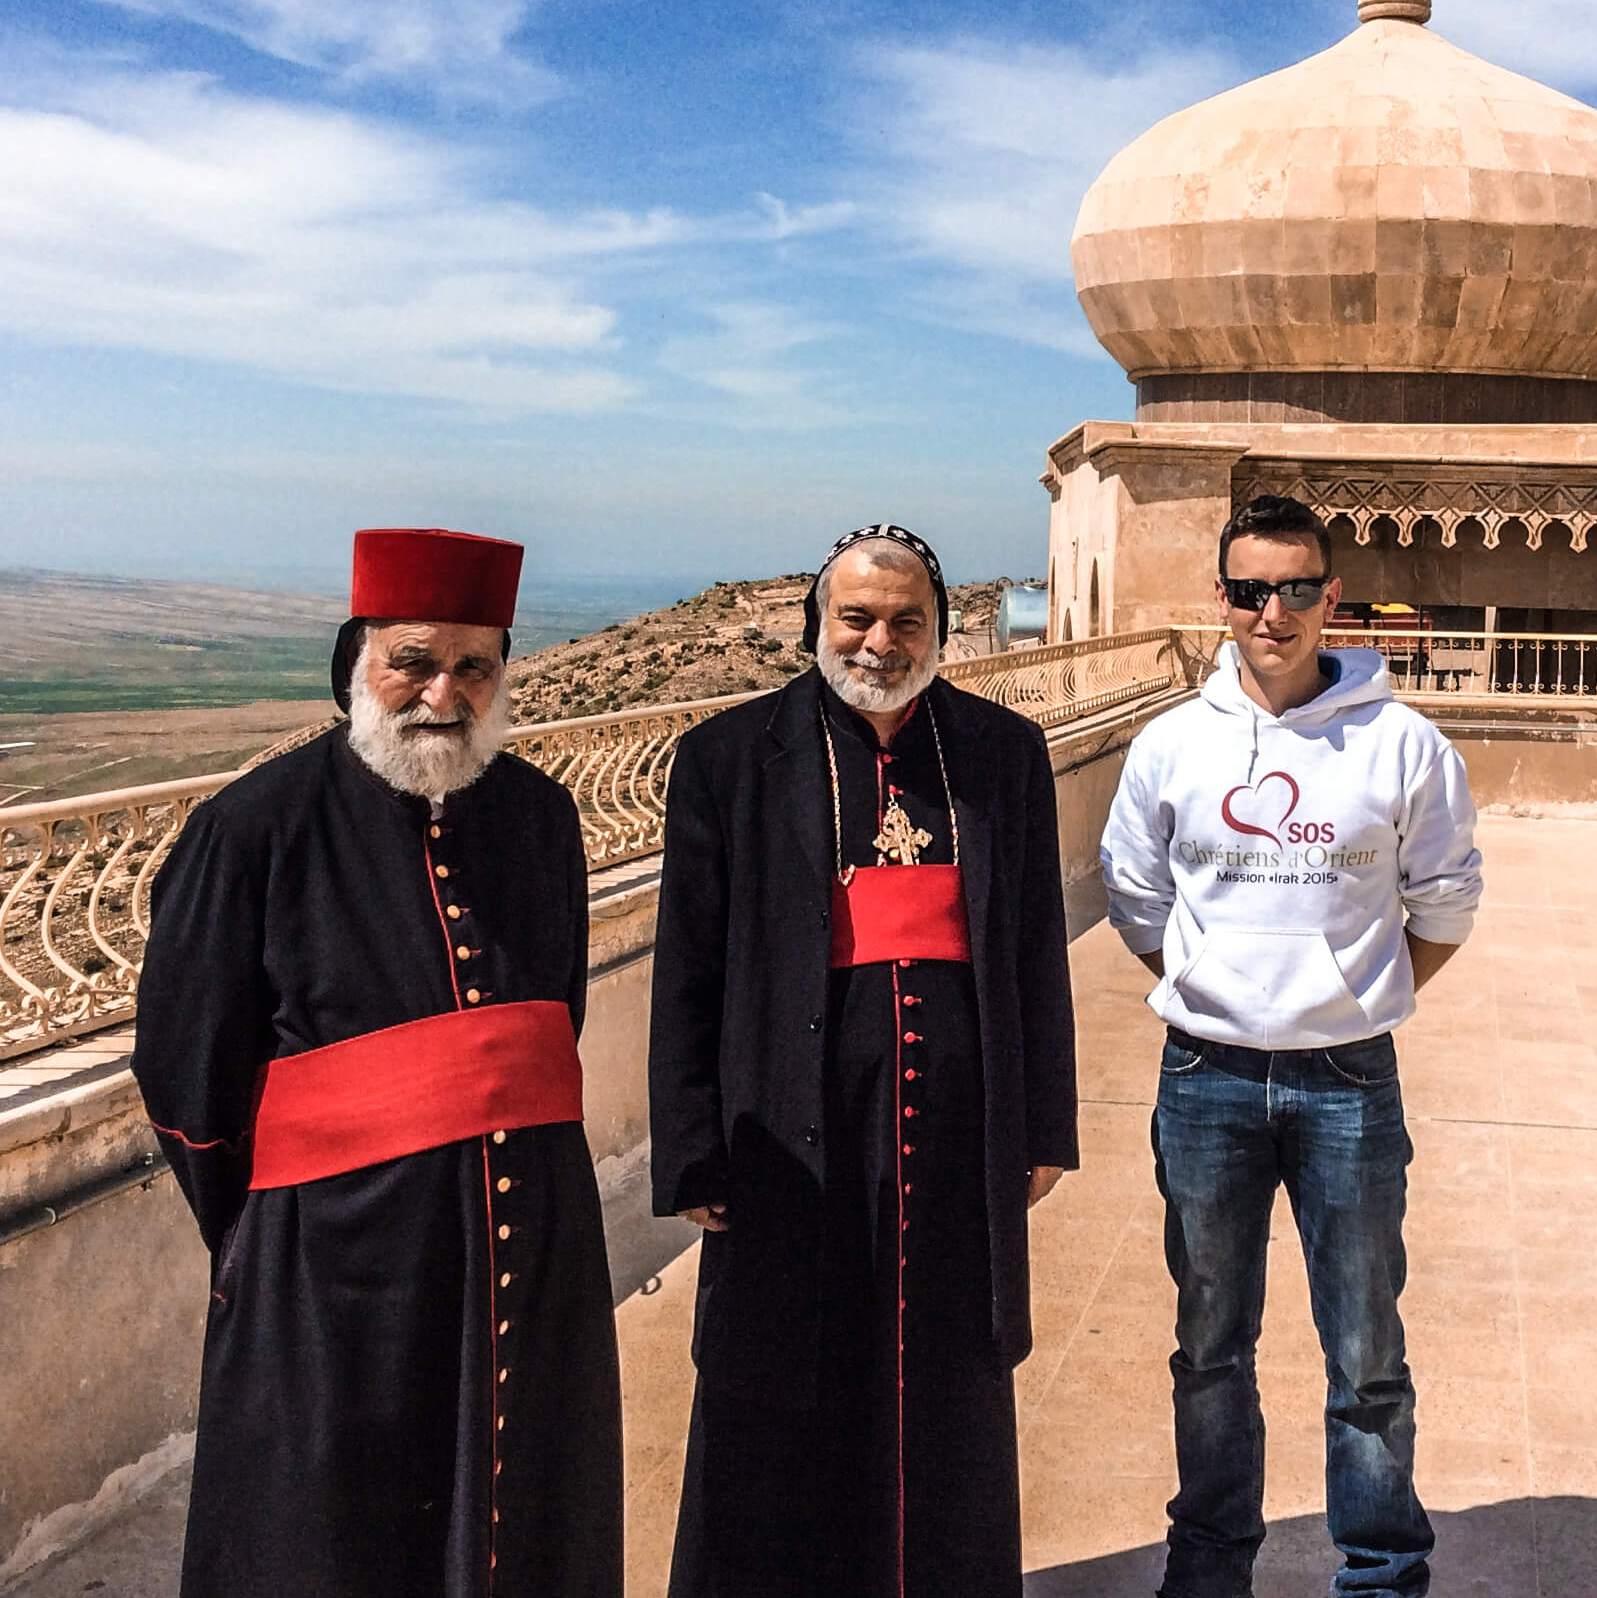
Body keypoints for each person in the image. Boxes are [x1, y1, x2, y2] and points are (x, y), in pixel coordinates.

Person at [133, 527, 624, 1598]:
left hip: (530, 1251)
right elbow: (187, 1074)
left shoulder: (540, 815)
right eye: (412, 659)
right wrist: (282, 1235)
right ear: (355, 660)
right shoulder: (252, 827)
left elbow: (553, 1021)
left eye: (474, 664)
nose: (441, 692)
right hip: (333, 1271)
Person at [649, 523, 1079, 1598]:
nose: (881, 640)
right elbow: (687, 966)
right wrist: (695, 1148)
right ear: (817, 625)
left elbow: (1034, 951)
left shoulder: (1000, 754)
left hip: (951, 1141)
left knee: (946, 1390)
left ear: (942, 628)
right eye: (858, 617)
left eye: (907, 620)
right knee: (779, 1383)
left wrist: (1043, 1126)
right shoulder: (728, 758)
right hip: (792, 1135)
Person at [1099, 494, 1482, 1598]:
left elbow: (1446, 899)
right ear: (1219, 596)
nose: (1275, 611)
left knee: (1366, 1352)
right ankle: (1210, 1567)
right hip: (1204, 1075)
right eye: (1251, 589)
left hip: (1347, 1082)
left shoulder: (1400, 742)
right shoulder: (1173, 743)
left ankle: (1379, 1570)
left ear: (1332, 597)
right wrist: (1220, 991)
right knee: (1210, 1344)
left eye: (1298, 588)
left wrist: (1348, 998)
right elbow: (1134, 894)